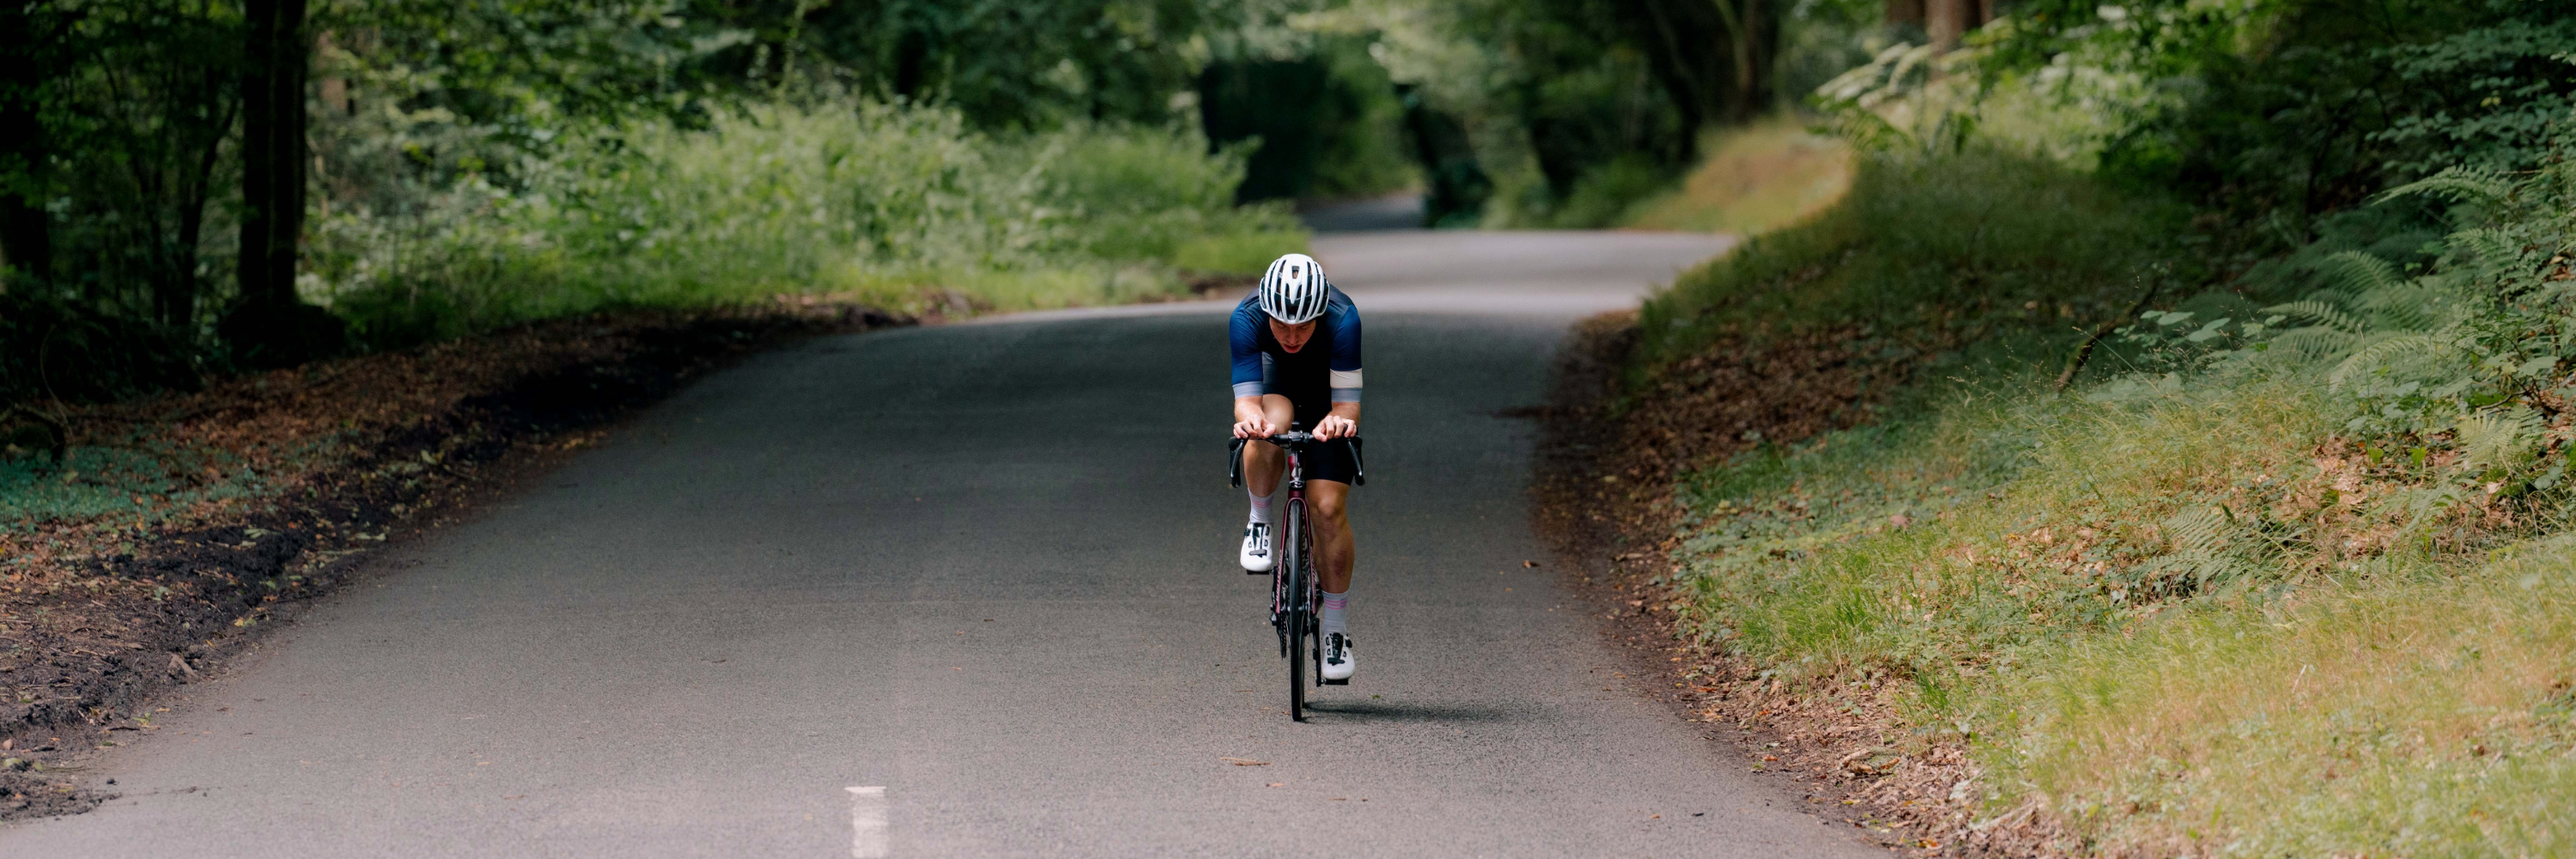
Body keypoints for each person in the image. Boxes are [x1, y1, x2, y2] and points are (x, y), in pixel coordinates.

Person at [1231, 252, 1363, 682]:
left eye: (1303, 326)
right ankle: (1259, 520)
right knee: (1271, 425)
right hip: (1278, 389)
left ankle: (1337, 630)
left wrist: (1339, 422)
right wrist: (1250, 419)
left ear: (1320, 312)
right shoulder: (1246, 318)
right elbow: (1247, 399)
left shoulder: (1344, 319)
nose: (1291, 336)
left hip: (1328, 398)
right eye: (1281, 325)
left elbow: (1347, 406)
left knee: (1326, 509)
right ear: (1265, 311)